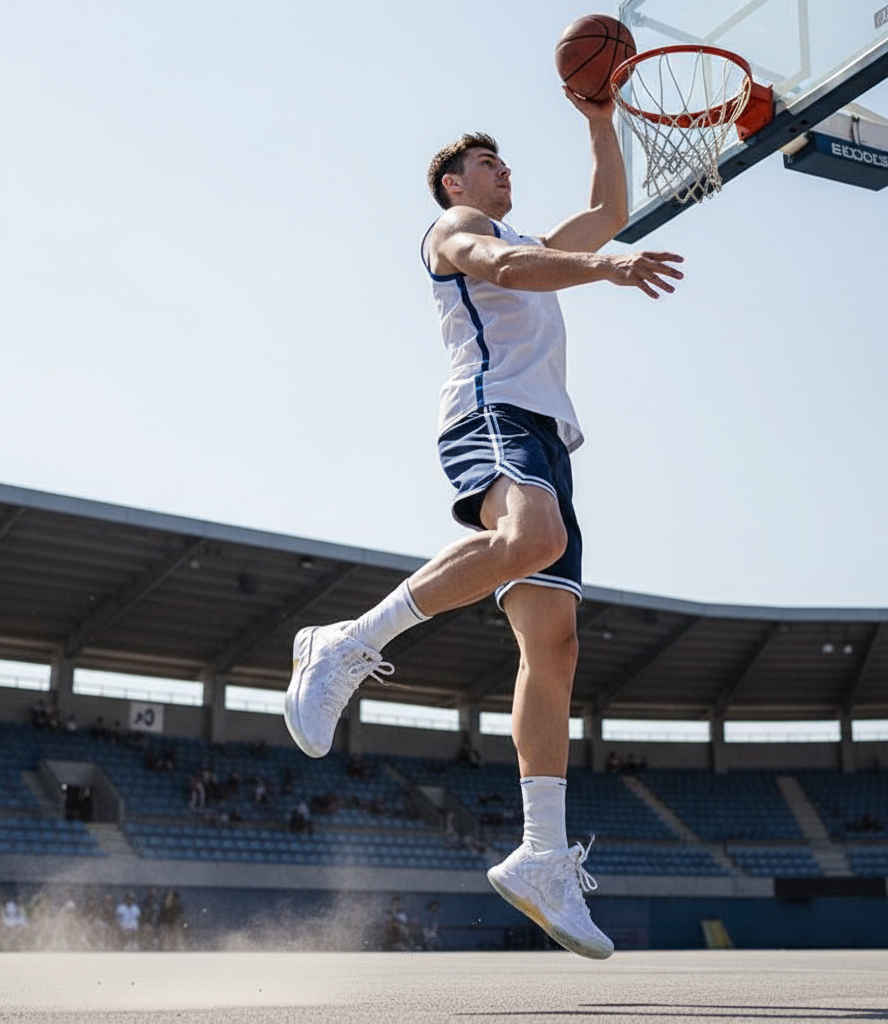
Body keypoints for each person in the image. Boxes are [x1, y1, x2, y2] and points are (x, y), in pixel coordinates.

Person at [283, 87, 683, 961]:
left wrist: (600, 120)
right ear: (453, 183)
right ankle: (345, 643)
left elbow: (610, 210)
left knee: (555, 646)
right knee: (534, 537)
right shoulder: (455, 229)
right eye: (484, 161)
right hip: (492, 412)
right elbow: (499, 268)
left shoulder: (532, 238)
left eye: (504, 160)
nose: (502, 169)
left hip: (546, 434)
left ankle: (541, 855)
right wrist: (607, 268)